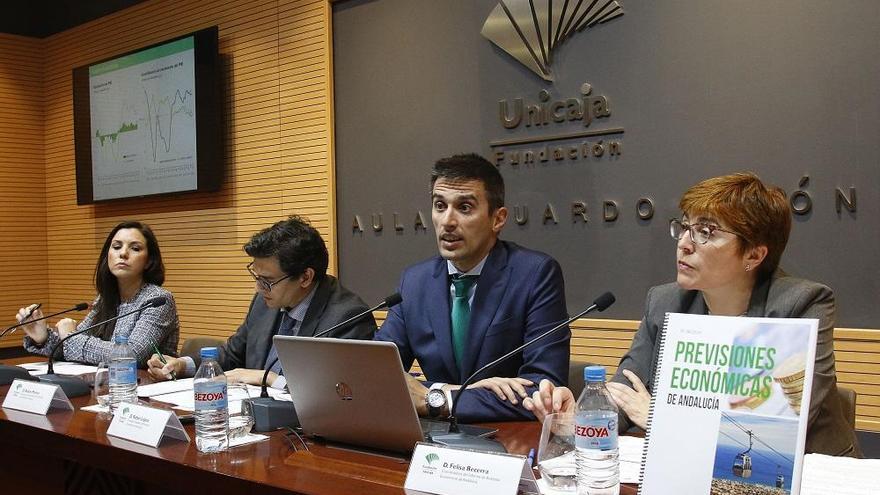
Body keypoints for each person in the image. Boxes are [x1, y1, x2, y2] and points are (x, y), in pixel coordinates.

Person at [524, 172, 862, 457]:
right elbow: (627, 391)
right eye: (685, 227)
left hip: (803, 474)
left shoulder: (801, 305)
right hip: (689, 468)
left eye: (706, 232)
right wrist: (582, 416)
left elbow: (776, 430)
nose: (684, 243)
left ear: (754, 255)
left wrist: (660, 420)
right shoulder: (666, 301)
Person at [376, 153, 570, 423]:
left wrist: (438, 399)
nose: (447, 221)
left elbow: (542, 390)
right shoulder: (414, 281)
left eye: (464, 208)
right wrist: (449, 391)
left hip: (506, 444)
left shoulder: (535, 274)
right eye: (440, 206)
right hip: (429, 443)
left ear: (498, 219)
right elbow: (377, 372)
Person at [147, 215, 376, 388]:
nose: (258, 288)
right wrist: (182, 364)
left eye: (267, 281)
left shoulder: (348, 317)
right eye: (257, 277)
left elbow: (341, 391)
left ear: (305, 277)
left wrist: (269, 379)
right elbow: (232, 354)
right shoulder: (265, 302)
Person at [18, 221, 179, 367]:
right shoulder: (106, 299)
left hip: (145, 391)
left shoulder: (158, 300)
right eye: (116, 247)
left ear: (149, 261)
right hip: (106, 386)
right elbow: (70, 349)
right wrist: (43, 337)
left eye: (135, 248)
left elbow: (132, 356)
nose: (123, 253)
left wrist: (70, 336)